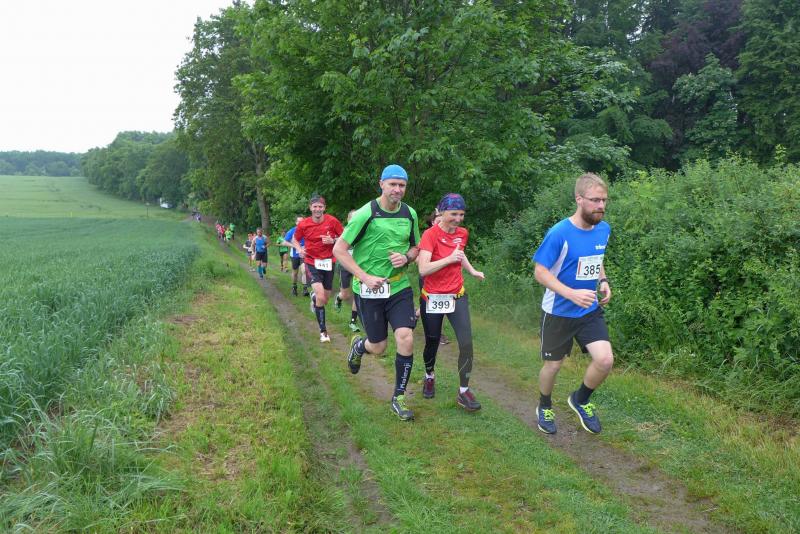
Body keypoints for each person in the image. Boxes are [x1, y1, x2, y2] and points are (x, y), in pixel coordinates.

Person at [334, 164, 421, 421]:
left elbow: (416, 247)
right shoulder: (366, 213)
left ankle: (399, 398)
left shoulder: (410, 214)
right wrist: (364, 277)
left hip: (399, 287)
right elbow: (339, 250)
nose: (397, 189)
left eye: (402, 185)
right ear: (381, 184)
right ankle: (359, 346)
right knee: (379, 346)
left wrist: (406, 257)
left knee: (405, 337)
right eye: (392, 184)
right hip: (369, 290)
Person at [532, 172, 613, 435]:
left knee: (605, 360)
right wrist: (571, 294)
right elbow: (540, 272)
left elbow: (596, 258)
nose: (601, 205)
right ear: (579, 199)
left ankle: (580, 400)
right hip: (558, 311)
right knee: (553, 366)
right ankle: (544, 406)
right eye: (595, 200)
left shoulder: (603, 229)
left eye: (604, 200)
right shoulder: (560, 233)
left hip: (588, 310)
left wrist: (603, 280)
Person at [417, 193, 484, 412]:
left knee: (466, 343)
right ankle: (429, 376)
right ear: (442, 212)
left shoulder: (462, 233)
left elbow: (460, 254)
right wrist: (448, 259)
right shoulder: (430, 235)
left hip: (457, 295)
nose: (458, 219)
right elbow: (423, 269)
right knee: (432, 341)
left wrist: (472, 271)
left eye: (462, 214)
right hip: (433, 297)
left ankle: (464, 391)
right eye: (454, 214)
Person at [292, 195, 344, 343]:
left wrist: (333, 240)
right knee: (321, 296)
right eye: (315, 206)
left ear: (324, 208)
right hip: (311, 261)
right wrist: (299, 249)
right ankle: (323, 332)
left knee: (325, 298)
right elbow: (295, 239)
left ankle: (314, 298)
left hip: (329, 262)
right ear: (310, 208)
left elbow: (345, 237)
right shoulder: (304, 224)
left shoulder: (332, 221)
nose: (317, 209)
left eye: (320, 206)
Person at [334, 210, 361, 332]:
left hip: (359, 266)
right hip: (345, 265)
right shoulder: (345, 231)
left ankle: (353, 322)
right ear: (349, 219)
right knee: (345, 295)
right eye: (353, 218)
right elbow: (338, 243)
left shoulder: (364, 231)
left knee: (358, 294)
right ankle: (339, 298)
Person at [282, 216, 309, 297]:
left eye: (302, 221)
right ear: (296, 223)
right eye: (299, 221)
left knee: (304, 270)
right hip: (295, 255)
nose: (301, 223)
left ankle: (305, 289)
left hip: (304, 254)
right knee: (295, 272)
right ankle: (294, 287)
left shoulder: (307, 230)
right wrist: (294, 246)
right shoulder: (292, 231)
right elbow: (284, 242)